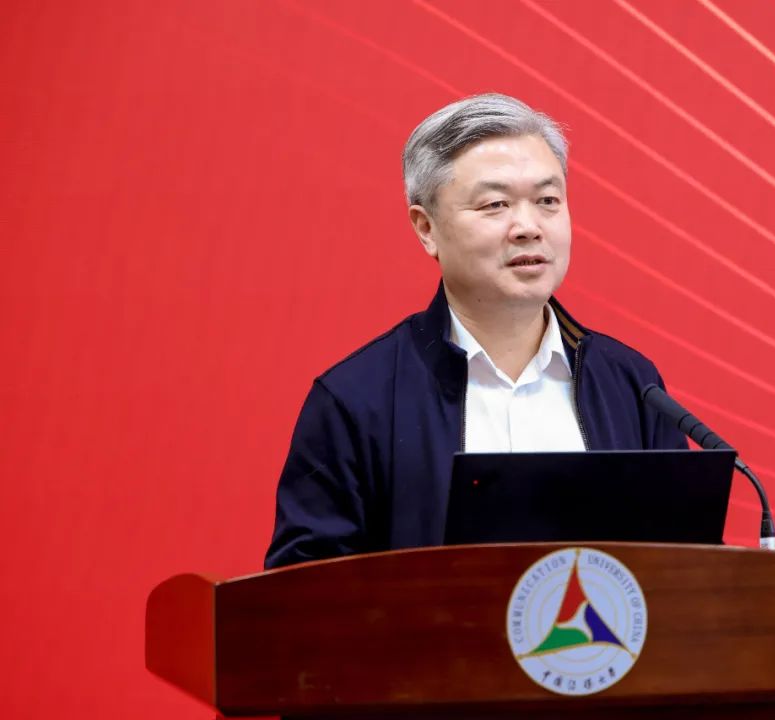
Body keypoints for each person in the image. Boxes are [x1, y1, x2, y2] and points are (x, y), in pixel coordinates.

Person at [264, 93, 687, 569]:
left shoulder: (632, 386)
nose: (528, 227)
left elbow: (683, 573)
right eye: (495, 204)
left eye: (548, 201)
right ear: (426, 228)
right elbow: (301, 592)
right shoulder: (356, 401)